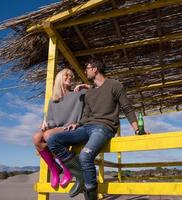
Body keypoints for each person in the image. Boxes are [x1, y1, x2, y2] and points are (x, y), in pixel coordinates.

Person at [47, 58, 142, 200]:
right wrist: (77, 124)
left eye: (87, 68)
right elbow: (86, 115)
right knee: (53, 140)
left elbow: (127, 108)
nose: (85, 71)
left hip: (104, 127)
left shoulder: (114, 85)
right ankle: (79, 175)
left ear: (95, 69)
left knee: (85, 156)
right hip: (86, 127)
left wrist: (137, 129)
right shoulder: (90, 92)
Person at [32, 68, 89, 191]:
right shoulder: (53, 100)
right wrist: (45, 124)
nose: (70, 78)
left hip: (73, 129)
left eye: (71, 76)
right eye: (66, 75)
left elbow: (98, 93)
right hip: (56, 129)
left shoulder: (79, 94)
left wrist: (86, 86)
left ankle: (67, 170)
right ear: (59, 78)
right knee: (36, 138)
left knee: (48, 136)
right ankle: (55, 169)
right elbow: (51, 120)